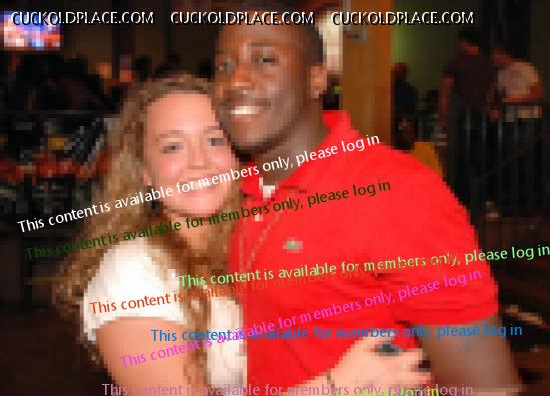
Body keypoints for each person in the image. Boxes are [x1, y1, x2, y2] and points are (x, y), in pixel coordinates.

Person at [213, 8, 520, 395]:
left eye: (265, 60)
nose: (236, 80)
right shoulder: (229, 191)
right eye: (223, 66)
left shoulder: (396, 191)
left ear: (316, 79)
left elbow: (489, 388)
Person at [54, 73, 426, 393]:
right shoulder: (134, 268)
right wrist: (336, 386)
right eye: (173, 147)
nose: (199, 161)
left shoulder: (260, 242)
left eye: (215, 140)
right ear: (145, 174)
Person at [439, 28, 495, 207]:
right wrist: (487, 109)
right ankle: (477, 200)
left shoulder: (455, 62)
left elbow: (446, 92)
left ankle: (456, 199)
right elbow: (490, 92)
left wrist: (443, 115)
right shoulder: (488, 65)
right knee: (477, 158)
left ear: (464, 41)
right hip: (480, 116)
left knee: (456, 158)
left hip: (459, 115)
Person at [491, 44, 542, 213]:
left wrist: (513, 100)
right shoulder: (501, 74)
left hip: (528, 117)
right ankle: (516, 199)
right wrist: (497, 107)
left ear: (504, 54)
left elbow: (537, 93)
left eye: (496, 54)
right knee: (512, 158)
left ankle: (529, 200)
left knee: (526, 158)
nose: (493, 58)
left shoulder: (525, 68)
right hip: (511, 119)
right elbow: (499, 94)